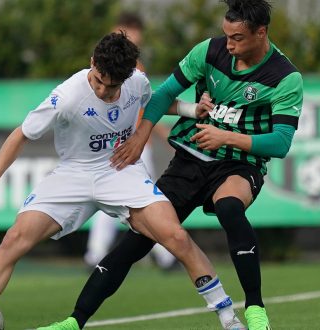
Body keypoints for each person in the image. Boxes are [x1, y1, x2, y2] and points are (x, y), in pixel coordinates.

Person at [0, 32, 244, 330]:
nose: (105, 91)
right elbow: (21, 135)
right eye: (100, 82)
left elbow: (156, 101)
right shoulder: (66, 97)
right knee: (15, 238)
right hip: (73, 173)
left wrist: (191, 108)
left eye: (113, 86)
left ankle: (229, 318)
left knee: (175, 236)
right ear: (93, 62)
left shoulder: (136, 82)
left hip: (120, 171)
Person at [52, 0, 303, 329]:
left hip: (239, 164)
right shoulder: (208, 51)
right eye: (226, 35)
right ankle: (75, 320)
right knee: (137, 240)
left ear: (261, 33)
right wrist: (140, 137)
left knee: (229, 207)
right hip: (189, 160)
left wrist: (225, 138)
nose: (228, 44)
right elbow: (161, 95)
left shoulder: (285, 77)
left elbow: (281, 142)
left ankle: (255, 310)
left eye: (237, 38)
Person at [84, 12, 176, 271]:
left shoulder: (133, 67)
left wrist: (163, 133)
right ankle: (164, 256)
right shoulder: (118, 66)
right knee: (147, 201)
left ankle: (95, 254)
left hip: (134, 143)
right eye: (126, 31)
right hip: (128, 146)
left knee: (132, 202)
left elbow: (148, 107)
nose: (132, 36)